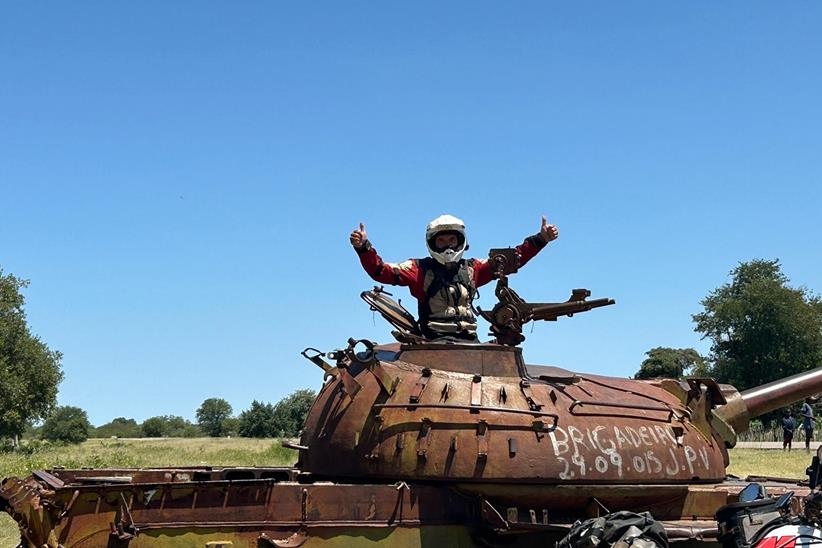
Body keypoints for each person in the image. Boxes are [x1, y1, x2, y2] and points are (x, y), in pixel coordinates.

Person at [350, 214, 558, 340]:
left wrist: (540, 240)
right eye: (442, 241)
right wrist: (364, 248)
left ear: (461, 241)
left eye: (452, 239)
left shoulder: (473, 269)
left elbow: (512, 260)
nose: (448, 245)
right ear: (433, 243)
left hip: (470, 341)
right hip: (434, 342)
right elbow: (381, 271)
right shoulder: (418, 269)